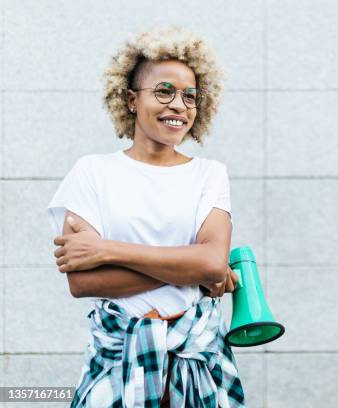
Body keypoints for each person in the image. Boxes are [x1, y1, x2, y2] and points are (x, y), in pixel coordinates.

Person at [46, 26, 246, 407]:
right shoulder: (91, 173)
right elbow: (84, 282)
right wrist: (190, 270)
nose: (179, 105)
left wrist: (107, 249)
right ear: (131, 100)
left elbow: (210, 263)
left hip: (198, 363)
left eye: (190, 96)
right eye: (164, 91)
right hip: (116, 360)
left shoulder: (210, 174)